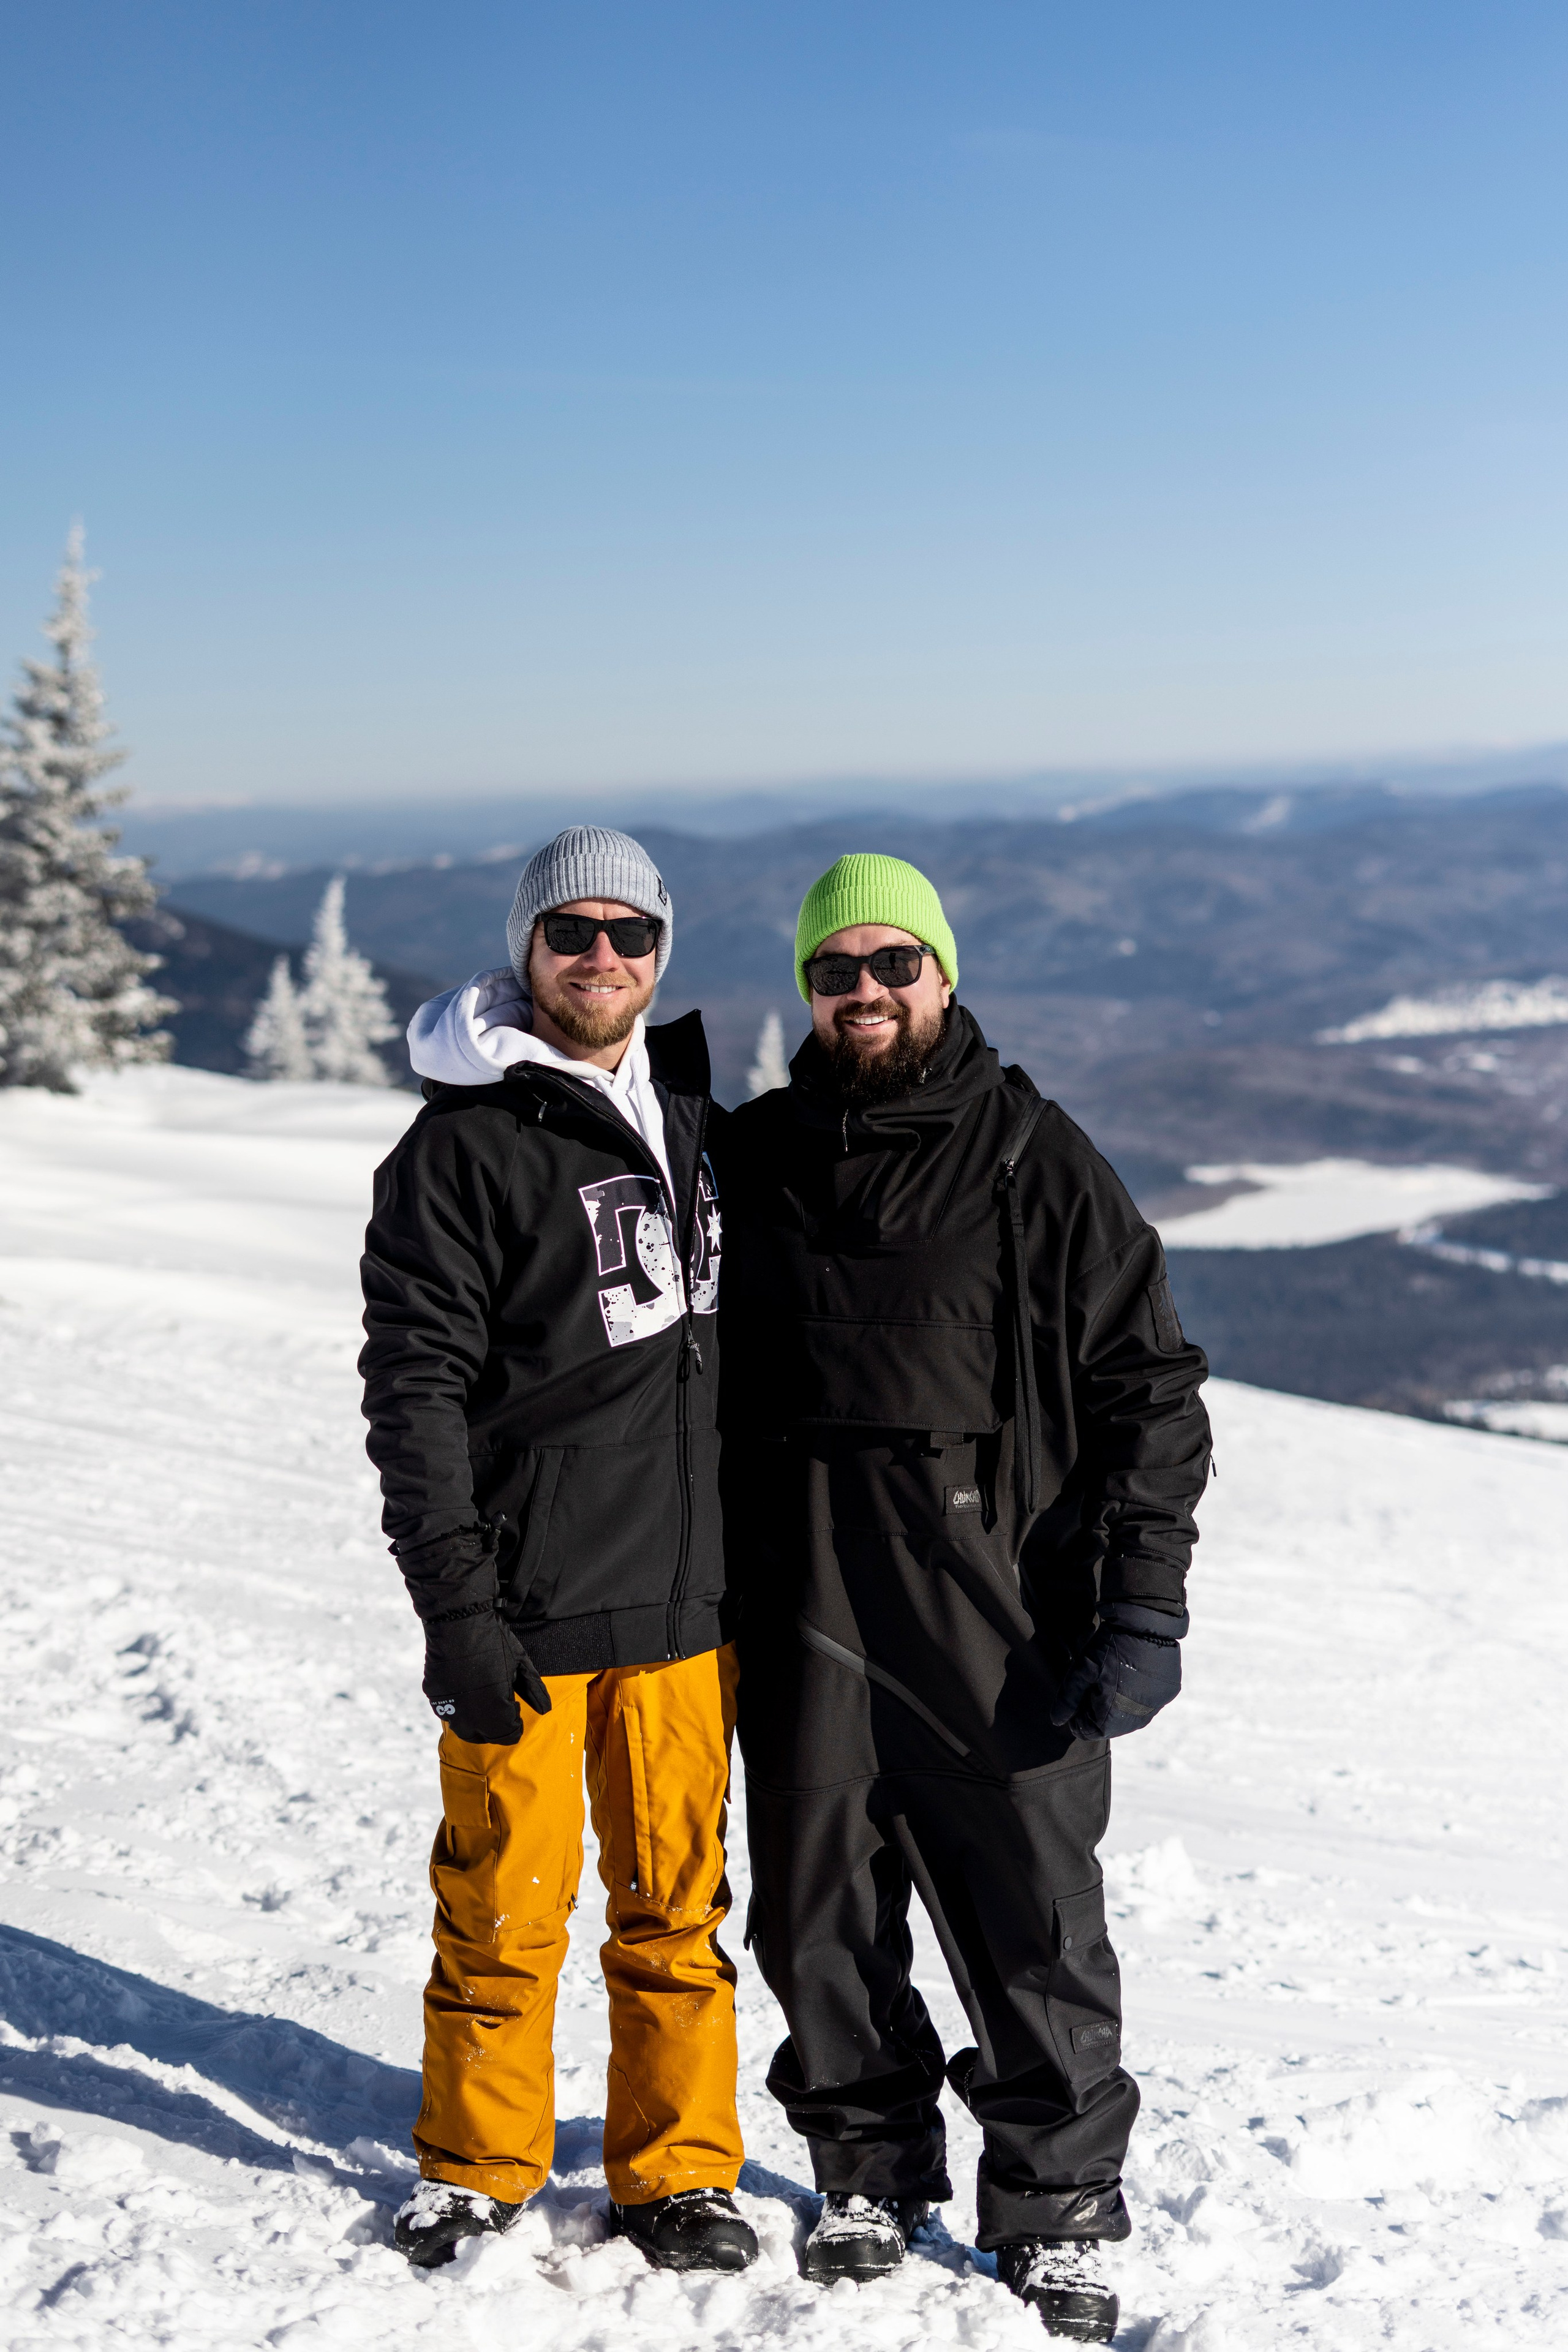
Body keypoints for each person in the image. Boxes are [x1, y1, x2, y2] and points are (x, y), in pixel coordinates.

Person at [717, 853, 1210, 2343]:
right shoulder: (756, 1155)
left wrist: (1141, 1606)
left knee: (1029, 1918)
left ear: (941, 974)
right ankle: (866, 2170)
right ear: (807, 990)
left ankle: (1054, 2207)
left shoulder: (1027, 1155)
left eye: (892, 964)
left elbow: (1147, 1389)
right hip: (802, 1591)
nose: (862, 991)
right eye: (833, 970)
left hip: (996, 1608)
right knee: (816, 1913)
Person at [360, 826, 755, 2275]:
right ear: (525, 946)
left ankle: (679, 2175)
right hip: (526, 1608)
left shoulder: (695, 1116)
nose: (601, 957)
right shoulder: (458, 1149)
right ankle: (475, 2168)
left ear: (660, 951)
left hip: (685, 1607)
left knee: (679, 1913)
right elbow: (412, 1399)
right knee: (502, 1910)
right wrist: (455, 1610)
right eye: (570, 932)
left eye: (628, 934)